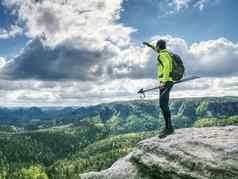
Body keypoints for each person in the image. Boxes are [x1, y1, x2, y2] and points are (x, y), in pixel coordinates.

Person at [143, 40, 174, 138]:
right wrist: (150, 46)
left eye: (156, 47)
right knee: (164, 104)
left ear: (159, 47)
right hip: (166, 81)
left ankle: (169, 128)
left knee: (163, 104)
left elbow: (167, 67)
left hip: (165, 82)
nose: (155, 48)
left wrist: (164, 81)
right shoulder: (166, 53)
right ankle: (168, 127)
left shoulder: (162, 55)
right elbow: (157, 50)